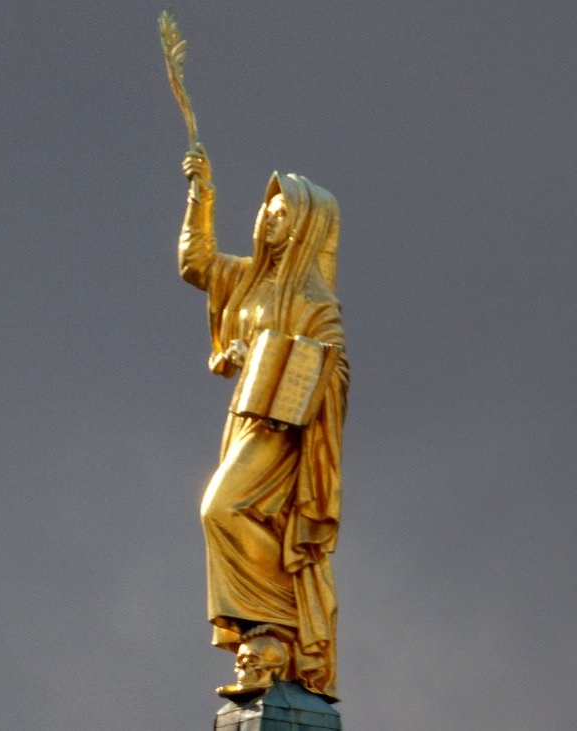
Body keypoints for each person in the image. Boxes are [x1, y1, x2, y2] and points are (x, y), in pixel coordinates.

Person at [177, 147, 349, 702]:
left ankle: (284, 611)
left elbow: (334, 368)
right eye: (267, 210)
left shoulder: (315, 301)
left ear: (305, 228)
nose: (270, 219)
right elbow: (196, 265)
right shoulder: (248, 279)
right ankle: (268, 629)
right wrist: (201, 197)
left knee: (219, 508)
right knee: (231, 512)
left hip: (281, 427)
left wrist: (267, 358)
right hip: (243, 419)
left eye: (282, 214)